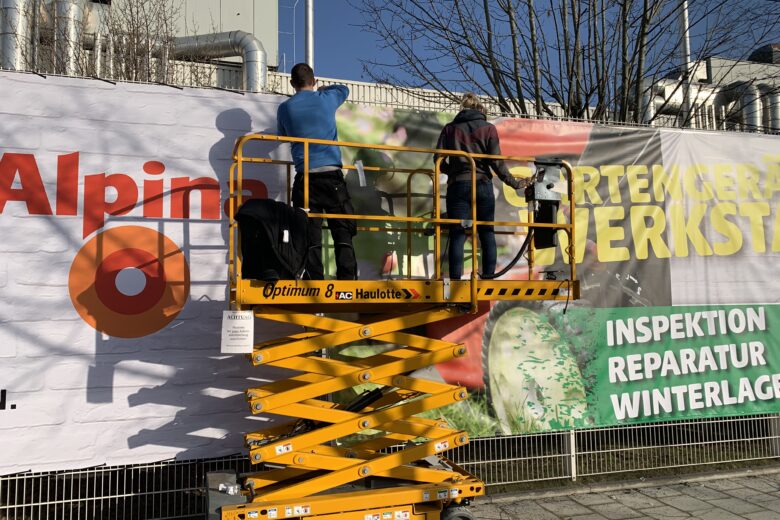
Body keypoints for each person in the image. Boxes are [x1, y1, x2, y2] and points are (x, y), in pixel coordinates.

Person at [277, 63, 357, 280]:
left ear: (292, 83)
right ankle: (347, 278)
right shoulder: (326, 99)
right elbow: (343, 89)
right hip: (332, 176)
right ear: (314, 81)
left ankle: (314, 279)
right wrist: (320, 90)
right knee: (342, 228)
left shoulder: (285, 108)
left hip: (305, 178)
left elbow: (283, 136)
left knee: (308, 231)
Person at [435, 93, 528, 280]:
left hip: (457, 185)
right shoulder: (488, 128)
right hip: (482, 184)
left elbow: (438, 159)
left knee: (457, 234)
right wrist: (514, 183)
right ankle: (487, 277)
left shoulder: (449, 129)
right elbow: (496, 163)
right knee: (486, 232)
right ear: (480, 109)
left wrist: (452, 171)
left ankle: (455, 281)